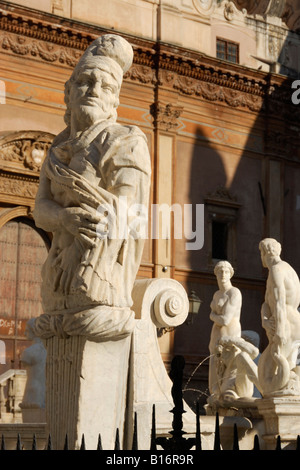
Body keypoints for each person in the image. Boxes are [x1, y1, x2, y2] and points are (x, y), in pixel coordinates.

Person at [32, 34, 151, 341]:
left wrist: (82, 249)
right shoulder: (57, 150)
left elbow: (122, 212)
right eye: (85, 81)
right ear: (68, 92)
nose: (94, 91)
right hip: (57, 276)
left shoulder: (124, 140)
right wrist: (63, 219)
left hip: (97, 274)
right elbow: (40, 209)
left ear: (114, 100)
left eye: (107, 86)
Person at [258, 238, 300, 395]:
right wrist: (264, 319)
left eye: (260, 253)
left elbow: (279, 302)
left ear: (264, 253)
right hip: (294, 322)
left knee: (272, 374)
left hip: (287, 324)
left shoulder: (276, 270)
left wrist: (280, 331)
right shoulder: (288, 269)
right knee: (286, 367)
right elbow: (267, 303)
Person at [208, 260, 242, 400]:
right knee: (215, 376)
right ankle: (215, 398)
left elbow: (225, 320)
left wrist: (212, 315)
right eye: (220, 271)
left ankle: (228, 401)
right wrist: (216, 317)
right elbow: (220, 319)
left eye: (226, 271)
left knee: (229, 375)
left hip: (230, 337)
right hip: (215, 338)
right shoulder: (216, 294)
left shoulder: (234, 293)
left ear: (230, 274)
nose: (223, 274)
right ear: (216, 274)